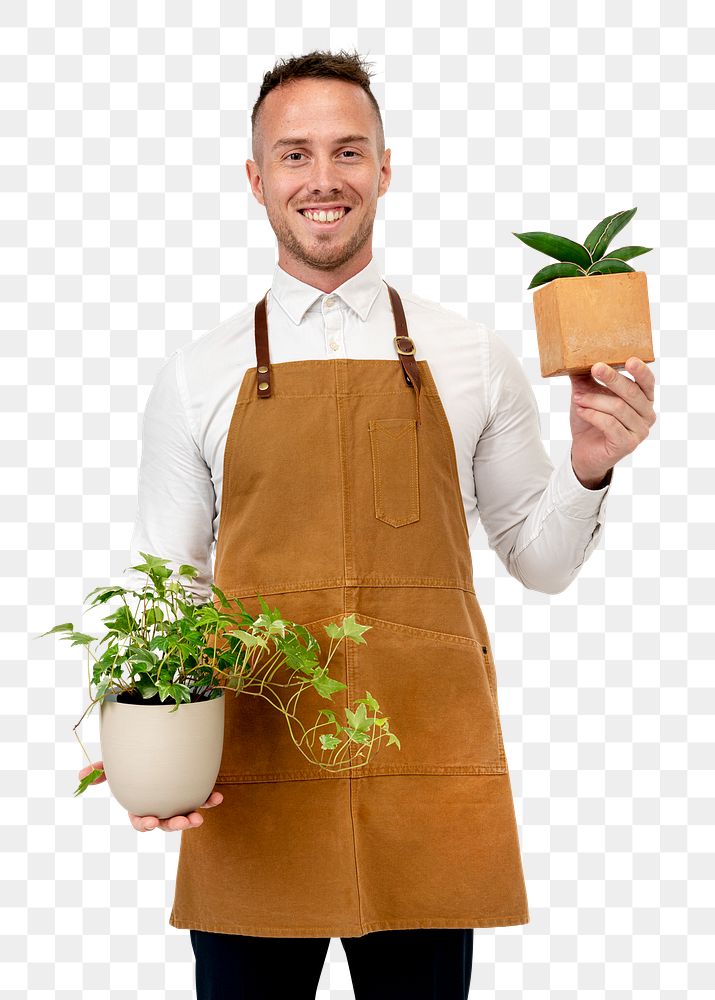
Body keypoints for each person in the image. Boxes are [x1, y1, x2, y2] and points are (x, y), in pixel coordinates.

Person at [80, 48, 656, 1000]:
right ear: (256, 178)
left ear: (384, 168)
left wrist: (592, 467)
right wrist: (152, 754)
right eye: (294, 154)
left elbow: (540, 562)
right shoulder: (195, 374)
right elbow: (167, 587)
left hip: (424, 776)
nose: (323, 178)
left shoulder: (472, 355)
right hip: (256, 780)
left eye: (348, 151)